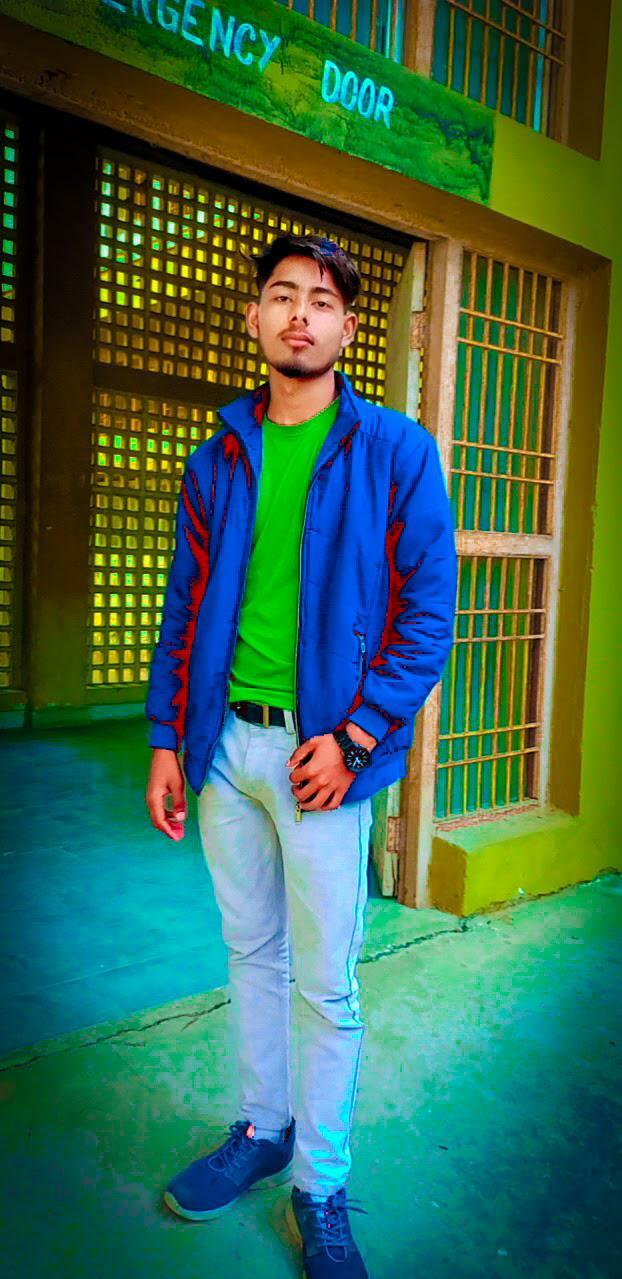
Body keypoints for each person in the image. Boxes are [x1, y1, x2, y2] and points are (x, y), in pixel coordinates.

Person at [145, 232, 458, 1278]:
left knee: (326, 984)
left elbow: (427, 616)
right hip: (224, 747)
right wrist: (166, 738)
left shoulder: (395, 451)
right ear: (254, 316)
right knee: (251, 954)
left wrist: (357, 736)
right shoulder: (218, 458)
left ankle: (319, 1185)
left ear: (348, 328)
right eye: (281, 296)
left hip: (325, 754)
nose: (299, 315)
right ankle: (262, 1127)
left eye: (321, 301)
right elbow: (184, 609)